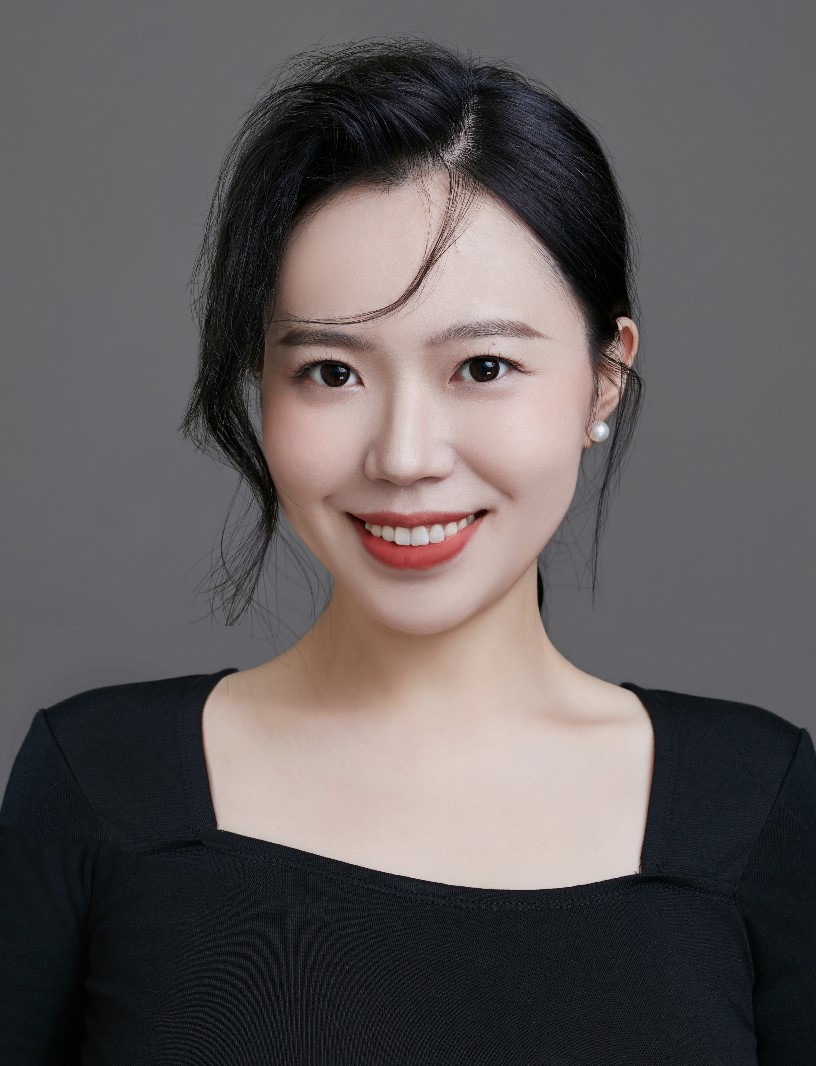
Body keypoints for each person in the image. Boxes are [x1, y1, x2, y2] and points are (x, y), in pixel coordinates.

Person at [1, 35, 814, 1065]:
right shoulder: (99, 784)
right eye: (332, 372)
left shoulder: (754, 800)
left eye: (483, 366)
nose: (404, 456)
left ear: (604, 377)